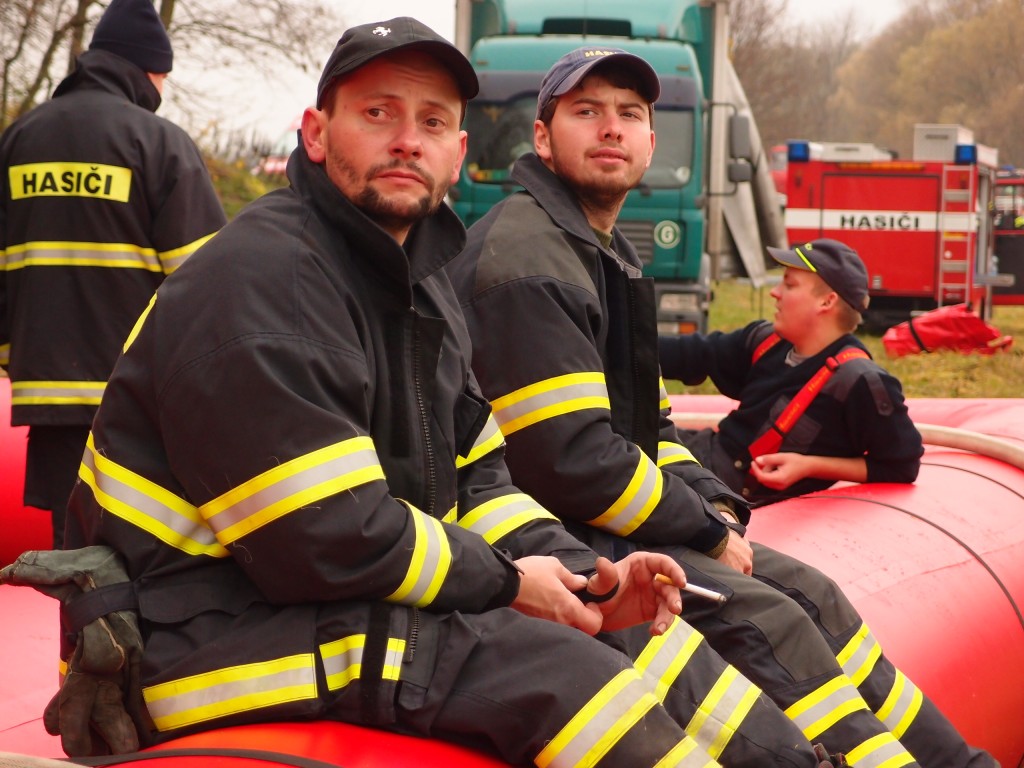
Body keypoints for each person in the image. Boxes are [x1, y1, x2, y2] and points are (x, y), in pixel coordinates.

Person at [59, 18, 843, 768]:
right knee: (558, 672)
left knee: (629, 629)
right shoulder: (263, 280)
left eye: (432, 121)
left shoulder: (422, 287)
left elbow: (479, 484)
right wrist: (510, 584)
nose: (408, 139)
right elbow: (327, 538)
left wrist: (584, 579)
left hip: (295, 601)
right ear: (316, 133)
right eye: (378, 113)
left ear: (459, 152)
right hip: (190, 634)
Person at [448, 46, 995, 767]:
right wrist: (705, 530)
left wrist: (715, 507)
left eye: (629, 114)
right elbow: (570, 461)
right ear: (543, 139)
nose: (611, 127)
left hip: (602, 516)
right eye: (586, 111)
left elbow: (650, 428)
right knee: (769, 618)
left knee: (814, 593)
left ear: (651, 141)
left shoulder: (596, 251)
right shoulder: (528, 261)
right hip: (550, 532)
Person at [0, 0, 226, 549]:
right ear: (148, 70)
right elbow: (211, 283)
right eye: (163, 78)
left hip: (48, 398)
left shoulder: (19, 140)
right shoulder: (160, 143)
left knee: (68, 551)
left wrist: (15, 359)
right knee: (132, 554)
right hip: (135, 402)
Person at [658, 238, 923, 506]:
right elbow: (688, 354)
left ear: (826, 301)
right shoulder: (765, 341)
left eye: (789, 284)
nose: (775, 292)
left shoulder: (860, 380)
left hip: (715, 493)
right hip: (699, 456)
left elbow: (902, 466)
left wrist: (809, 466)